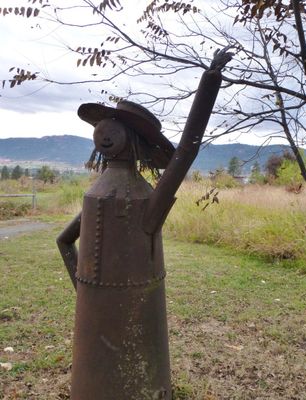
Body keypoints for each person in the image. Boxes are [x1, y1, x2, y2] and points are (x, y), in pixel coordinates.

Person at [57, 47, 232, 400]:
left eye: (116, 129)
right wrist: (87, 290)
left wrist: (210, 79)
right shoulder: (116, 192)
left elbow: (186, 151)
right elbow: (64, 241)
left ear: (134, 141)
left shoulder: (134, 196)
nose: (106, 134)